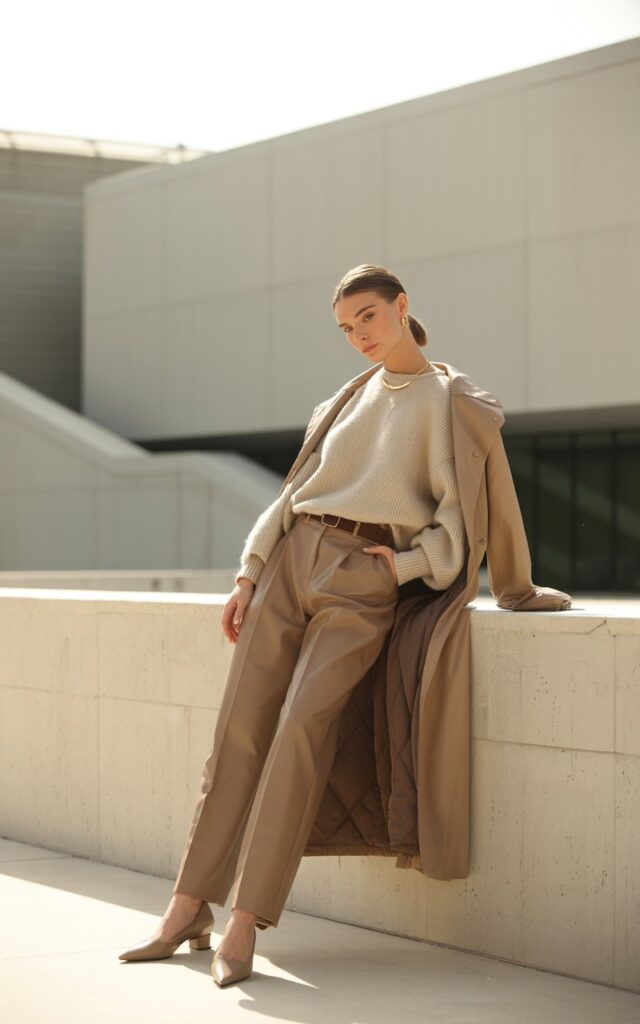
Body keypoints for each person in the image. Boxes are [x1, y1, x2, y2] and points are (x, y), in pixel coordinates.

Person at [118, 263, 468, 986]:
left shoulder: (444, 401)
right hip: (290, 561)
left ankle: (245, 920)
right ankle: (187, 906)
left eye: (368, 317)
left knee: (301, 729)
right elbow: (292, 494)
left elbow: (456, 527)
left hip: (361, 578)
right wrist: (249, 572)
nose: (358, 335)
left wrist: (399, 569)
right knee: (237, 732)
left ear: (402, 305)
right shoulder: (344, 398)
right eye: (346, 327)